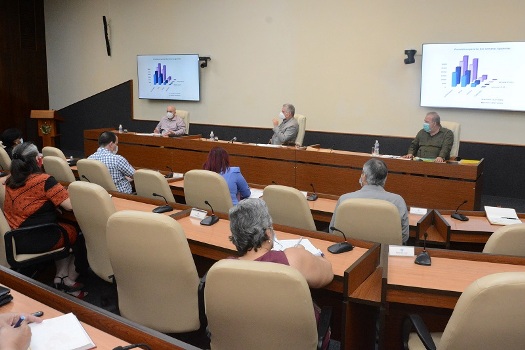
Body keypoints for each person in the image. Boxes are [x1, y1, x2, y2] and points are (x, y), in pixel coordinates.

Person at [3, 142, 86, 298]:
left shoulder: (10, 180)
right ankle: (69, 280)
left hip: (16, 237)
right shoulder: (44, 180)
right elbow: (69, 206)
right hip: (37, 237)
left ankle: (60, 277)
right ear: (37, 160)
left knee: (64, 227)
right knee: (79, 233)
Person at [229, 198, 333, 288]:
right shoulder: (293, 258)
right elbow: (328, 273)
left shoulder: (224, 266)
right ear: (268, 233)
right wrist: (302, 253)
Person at [329, 158, 409, 244]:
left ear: (364, 176)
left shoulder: (345, 199)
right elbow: (403, 237)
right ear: (385, 178)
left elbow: (333, 231)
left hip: (350, 251)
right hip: (384, 254)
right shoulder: (398, 201)